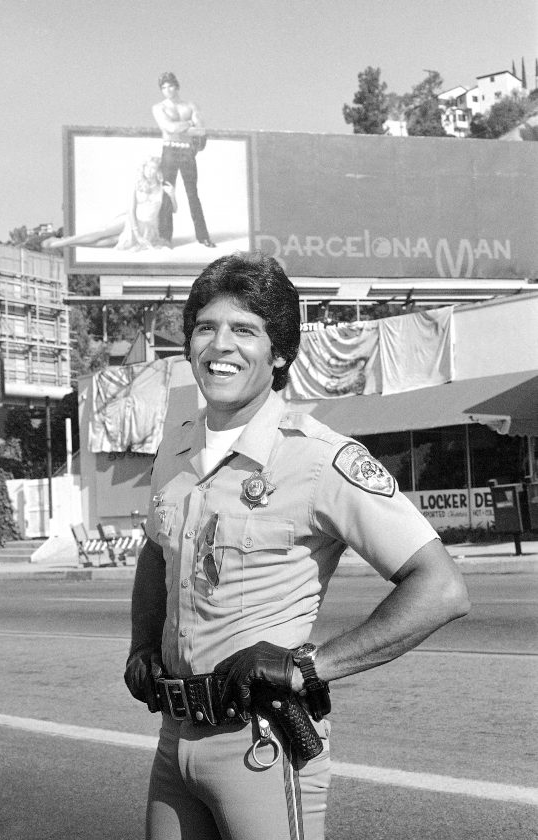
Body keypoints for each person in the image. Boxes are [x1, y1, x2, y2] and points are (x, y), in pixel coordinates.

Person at [124, 252, 470, 840]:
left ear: (279, 352)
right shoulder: (175, 450)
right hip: (174, 742)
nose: (220, 345)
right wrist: (141, 645)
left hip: (261, 744)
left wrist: (310, 667)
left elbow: (441, 588)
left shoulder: (318, 459)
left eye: (244, 330)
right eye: (205, 327)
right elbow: (157, 551)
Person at [42, 156, 176, 251]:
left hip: (148, 228)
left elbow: (174, 210)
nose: (150, 172)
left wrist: (172, 195)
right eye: (148, 168)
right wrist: (136, 234)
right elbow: (131, 210)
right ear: (143, 169)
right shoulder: (137, 185)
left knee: (111, 242)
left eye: (153, 169)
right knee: (103, 232)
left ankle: (67, 243)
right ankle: (60, 243)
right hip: (132, 220)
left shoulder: (163, 188)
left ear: (158, 171)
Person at [152, 71, 215, 249]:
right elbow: (169, 128)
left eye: (170, 86)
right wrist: (189, 124)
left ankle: (203, 236)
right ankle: (165, 237)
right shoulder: (158, 107)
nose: (167, 90)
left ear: (177, 86)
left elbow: (201, 130)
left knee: (192, 193)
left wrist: (184, 128)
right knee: (167, 192)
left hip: (187, 151)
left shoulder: (190, 105)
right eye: (164, 87)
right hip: (169, 149)